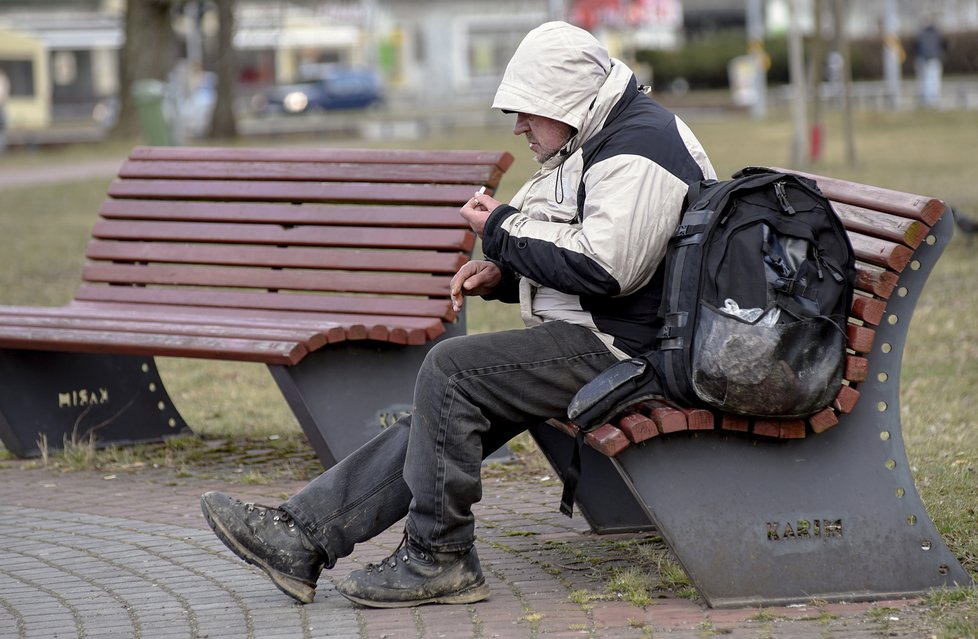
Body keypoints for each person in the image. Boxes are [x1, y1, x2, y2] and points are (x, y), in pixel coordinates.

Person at [200, 21, 716, 609]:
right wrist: (507, 274)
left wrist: (498, 231)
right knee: (447, 404)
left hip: (633, 355)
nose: (519, 125)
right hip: (612, 339)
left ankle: (439, 556)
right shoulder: (600, 137)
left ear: (566, 102)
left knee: (453, 372)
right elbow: (585, 242)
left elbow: (606, 269)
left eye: (527, 110)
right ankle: (303, 536)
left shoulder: (638, 148)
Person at [914, 19, 947, 108]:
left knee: (926, 80)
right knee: (934, 80)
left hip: (925, 60)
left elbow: (917, 47)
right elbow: (943, 45)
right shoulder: (936, 33)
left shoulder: (922, 34)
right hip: (934, 59)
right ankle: (933, 99)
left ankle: (928, 99)